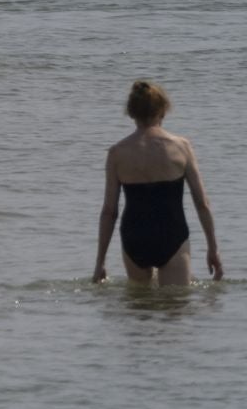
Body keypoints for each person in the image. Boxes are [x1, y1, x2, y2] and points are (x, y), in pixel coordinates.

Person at [94, 80, 222, 286]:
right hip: (172, 235)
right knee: (175, 308)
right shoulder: (181, 147)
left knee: (140, 309)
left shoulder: (117, 153)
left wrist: (99, 262)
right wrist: (213, 249)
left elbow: (109, 211)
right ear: (162, 110)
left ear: (131, 113)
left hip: (134, 237)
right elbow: (202, 203)